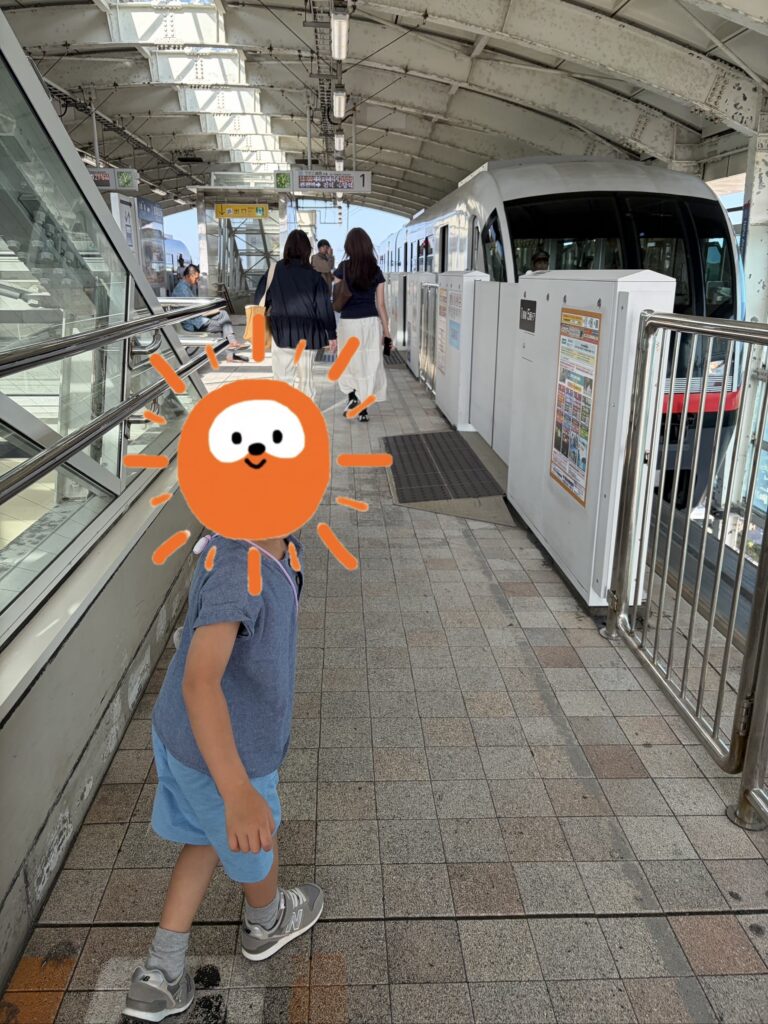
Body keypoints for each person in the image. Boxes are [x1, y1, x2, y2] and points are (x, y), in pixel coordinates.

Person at [123, 532, 323, 1021]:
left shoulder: (263, 543)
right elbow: (200, 681)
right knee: (254, 839)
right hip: (225, 754)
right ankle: (266, 920)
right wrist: (237, 791)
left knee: (204, 839)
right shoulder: (239, 568)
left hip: (190, 743)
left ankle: (161, 971)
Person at [254, 229, 336, 401]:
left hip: (281, 332)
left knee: (282, 380)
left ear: (287, 248)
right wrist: (331, 335)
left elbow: (260, 299)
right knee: (306, 382)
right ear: (307, 250)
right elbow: (324, 307)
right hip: (309, 335)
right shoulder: (314, 276)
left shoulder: (274, 270)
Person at [332, 227, 390, 422]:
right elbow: (381, 304)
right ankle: (363, 409)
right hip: (371, 322)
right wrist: (386, 331)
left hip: (348, 322)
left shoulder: (343, 268)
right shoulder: (376, 270)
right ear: (367, 245)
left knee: (349, 362)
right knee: (368, 363)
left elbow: (336, 295)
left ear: (348, 247)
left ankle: (353, 398)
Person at [172, 264, 248, 361]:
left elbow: (193, 308)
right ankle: (231, 349)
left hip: (196, 319)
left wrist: (210, 311)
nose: (197, 281)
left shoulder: (185, 287)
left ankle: (231, 347)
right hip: (194, 323)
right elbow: (192, 311)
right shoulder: (182, 290)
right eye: (196, 278)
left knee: (223, 314)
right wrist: (208, 311)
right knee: (225, 325)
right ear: (189, 276)